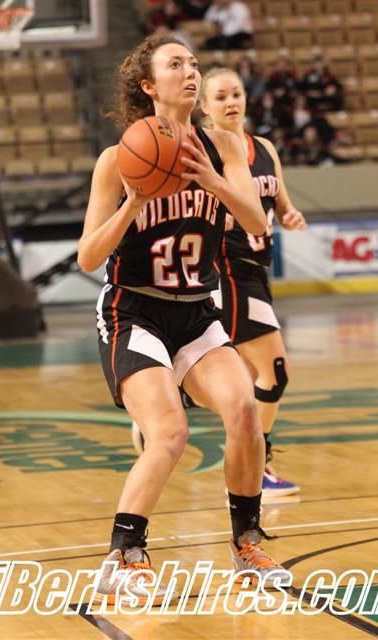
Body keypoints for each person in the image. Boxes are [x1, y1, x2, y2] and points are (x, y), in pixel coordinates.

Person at [77, 34, 290, 604]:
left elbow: (256, 223)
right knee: (170, 432)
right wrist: (133, 203)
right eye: (176, 64)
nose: (190, 72)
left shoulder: (223, 145)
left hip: (196, 308)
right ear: (150, 85)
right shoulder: (118, 159)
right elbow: (89, 256)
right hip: (133, 310)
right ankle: (123, 556)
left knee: (244, 409)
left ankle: (247, 542)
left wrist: (211, 180)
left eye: (194, 63)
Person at [201, 67, 307, 500]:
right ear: (204, 107)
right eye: (220, 97)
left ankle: (169, 406)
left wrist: (290, 216)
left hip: (258, 271)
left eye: (236, 94)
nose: (231, 103)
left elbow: (280, 203)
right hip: (227, 269)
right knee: (275, 372)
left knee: (245, 386)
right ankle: (258, 467)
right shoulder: (205, 151)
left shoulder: (263, 148)